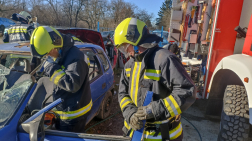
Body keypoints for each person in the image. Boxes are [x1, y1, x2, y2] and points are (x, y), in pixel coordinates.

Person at [115, 18, 196, 141]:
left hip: (163, 135)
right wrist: (130, 114)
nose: (126, 53)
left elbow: (187, 92)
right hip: (135, 134)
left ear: (135, 42)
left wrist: (154, 109)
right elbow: (122, 93)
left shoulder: (165, 59)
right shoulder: (129, 65)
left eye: (125, 47)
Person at [29, 26, 92, 132]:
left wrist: (51, 69)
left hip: (73, 116)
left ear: (55, 46)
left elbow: (72, 84)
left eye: (48, 53)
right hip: (63, 111)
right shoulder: (62, 54)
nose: (48, 56)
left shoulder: (76, 58)